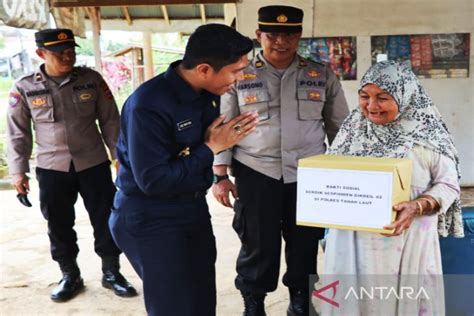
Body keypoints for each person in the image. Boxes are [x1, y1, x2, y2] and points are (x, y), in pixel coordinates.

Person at [108, 24, 257, 316]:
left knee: (201, 301)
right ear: (204, 69)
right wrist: (212, 148)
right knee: (173, 307)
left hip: (191, 209)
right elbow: (154, 181)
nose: (240, 79)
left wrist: (215, 161)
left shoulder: (207, 93)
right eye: (235, 71)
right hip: (150, 217)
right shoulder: (148, 105)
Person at [212, 5, 350, 316]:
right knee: (258, 242)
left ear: (299, 35)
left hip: (309, 173)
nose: (280, 42)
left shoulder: (321, 74)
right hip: (255, 169)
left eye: (288, 35)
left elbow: (340, 127)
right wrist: (220, 174)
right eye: (271, 35)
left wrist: (345, 173)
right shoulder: (238, 75)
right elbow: (224, 124)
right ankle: (254, 301)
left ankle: (300, 300)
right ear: (259, 35)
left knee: (305, 241)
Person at [6, 28, 137, 302]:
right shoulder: (25, 87)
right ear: (41, 53)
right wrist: (19, 171)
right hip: (52, 167)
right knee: (59, 223)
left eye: (71, 52)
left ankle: (111, 272)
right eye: (59, 53)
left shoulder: (91, 80)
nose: (67, 57)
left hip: (93, 162)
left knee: (106, 218)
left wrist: (120, 159)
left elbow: (111, 121)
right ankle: (70, 275)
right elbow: (18, 132)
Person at [323, 60, 463, 315]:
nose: (371, 106)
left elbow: (448, 184)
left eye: (383, 97)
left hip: (410, 241)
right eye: (364, 96)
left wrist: (418, 206)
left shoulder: (427, 133)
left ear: (404, 94)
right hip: (355, 245)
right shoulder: (353, 130)